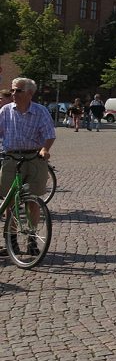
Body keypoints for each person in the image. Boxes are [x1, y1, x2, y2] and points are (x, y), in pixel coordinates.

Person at [0, 77, 56, 257]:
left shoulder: (41, 111)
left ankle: (32, 238)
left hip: (34, 157)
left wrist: (45, 149)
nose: (13, 94)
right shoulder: (5, 111)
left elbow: (49, 134)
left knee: (33, 201)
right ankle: (12, 239)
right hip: (11, 157)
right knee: (10, 201)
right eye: (12, 91)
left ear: (30, 93)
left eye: (18, 91)